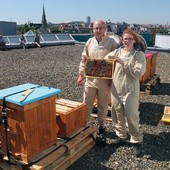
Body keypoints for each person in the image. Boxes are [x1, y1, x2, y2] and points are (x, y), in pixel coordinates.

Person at [105, 28, 146, 156]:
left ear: (135, 40)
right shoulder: (118, 51)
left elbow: (138, 72)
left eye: (130, 38)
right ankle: (121, 136)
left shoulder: (139, 55)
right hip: (116, 88)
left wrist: (123, 63)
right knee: (116, 113)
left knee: (131, 115)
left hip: (131, 90)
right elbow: (106, 59)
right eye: (125, 38)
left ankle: (136, 141)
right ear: (122, 40)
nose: (127, 41)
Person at [77, 19, 119, 142]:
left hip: (105, 81)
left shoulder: (111, 43)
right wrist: (81, 75)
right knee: (87, 103)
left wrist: (113, 78)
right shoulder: (89, 42)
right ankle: (84, 125)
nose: (98, 30)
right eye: (96, 28)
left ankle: (102, 126)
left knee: (103, 105)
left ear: (105, 29)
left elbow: (116, 62)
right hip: (90, 79)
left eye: (101, 28)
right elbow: (83, 59)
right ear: (93, 29)